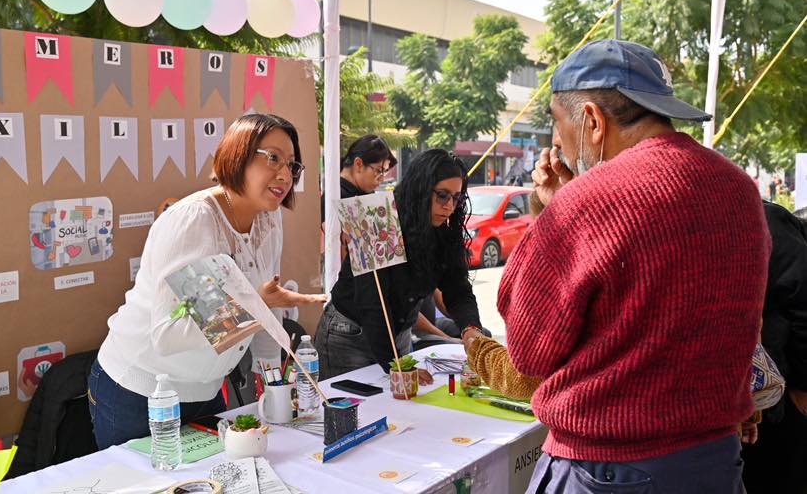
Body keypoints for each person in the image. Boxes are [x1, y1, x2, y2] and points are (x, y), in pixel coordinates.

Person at [495, 40, 770, 493]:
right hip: (715, 462)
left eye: (556, 123)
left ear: (592, 120)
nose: (557, 143)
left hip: (610, 472)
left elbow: (529, 350)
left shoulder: (590, 201)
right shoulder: (739, 189)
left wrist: (553, 215)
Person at [89, 114, 326, 449]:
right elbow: (168, 336)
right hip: (142, 393)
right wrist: (257, 305)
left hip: (206, 390)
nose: (285, 174)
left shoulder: (268, 221)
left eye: (292, 165)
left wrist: (273, 383)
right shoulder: (196, 221)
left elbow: (265, 306)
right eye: (273, 158)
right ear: (238, 154)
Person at [315, 149, 484, 381]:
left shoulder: (443, 232)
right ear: (421, 190)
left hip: (397, 335)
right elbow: (372, 301)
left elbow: (457, 288)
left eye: (456, 198)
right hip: (350, 335)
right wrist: (396, 365)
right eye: (442, 195)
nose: (449, 206)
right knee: (353, 412)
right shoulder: (376, 219)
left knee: (402, 412)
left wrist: (471, 329)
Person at [742, 202, 807, 494]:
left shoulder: (759, 217)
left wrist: (803, 385)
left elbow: (803, 299)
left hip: (779, 399)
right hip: (735, 409)